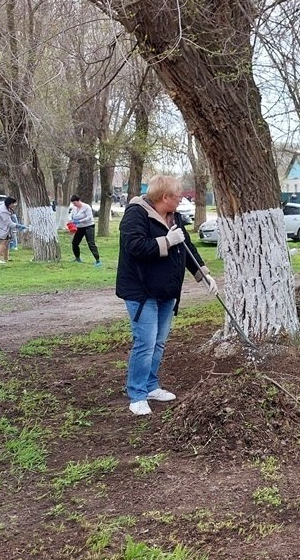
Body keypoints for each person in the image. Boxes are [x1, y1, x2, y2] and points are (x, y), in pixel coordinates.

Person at [116, 175, 218, 416]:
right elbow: (135, 247)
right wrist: (167, 241)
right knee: (145, 343)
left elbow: (187, 248)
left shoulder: (175, 217)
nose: (181, 200)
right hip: (142, 291)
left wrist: (204, 275)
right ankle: (137, 395)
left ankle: (151, 386)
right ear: (164, 197)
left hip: (167, 291)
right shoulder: (136, 215)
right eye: (178, 196)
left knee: (158, 342)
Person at [69, 194, 102, 267]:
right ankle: (77, 258)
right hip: (79, 227)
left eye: (75, 203)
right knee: (75, 243)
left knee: (91, 243)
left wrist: (79, 221)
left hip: (88, 226)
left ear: (79, 201)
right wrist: (71, 220)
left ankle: (98, 260)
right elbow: (71, 215)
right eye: (73, 204)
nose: (74, 205)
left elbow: (89, 217)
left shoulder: (86, 207)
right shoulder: (74, 208)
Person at [0, 196, 18, 265]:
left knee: (7, 242)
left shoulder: (6, 207)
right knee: (3, 243)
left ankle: (6, 258)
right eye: (13, 203)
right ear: (9, 203)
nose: (14, 205)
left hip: (2, 228)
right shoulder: (3, 211)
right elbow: (9, 223)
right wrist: (19, 226)